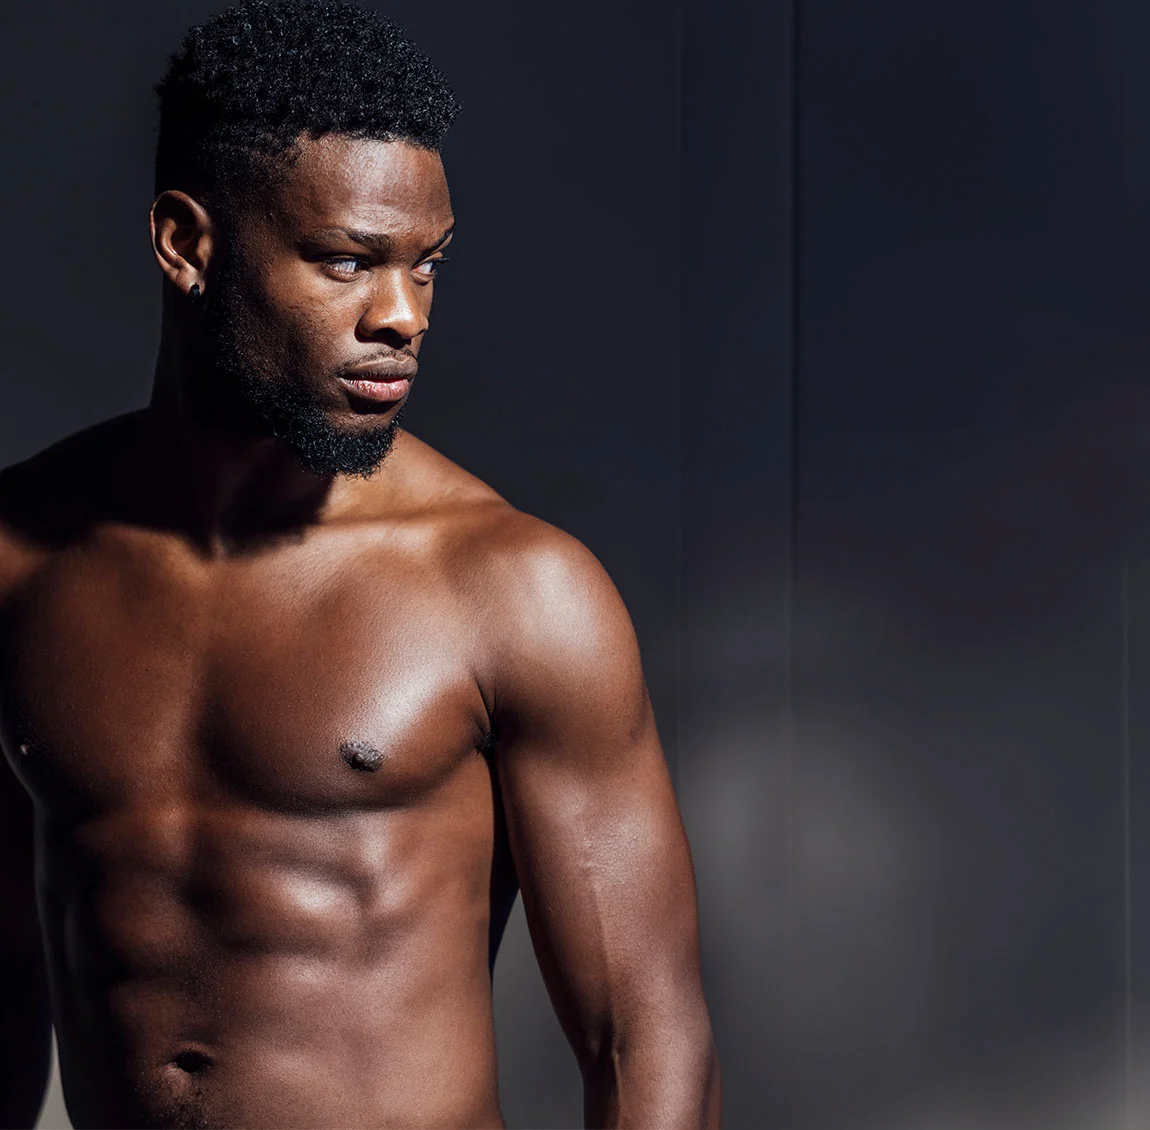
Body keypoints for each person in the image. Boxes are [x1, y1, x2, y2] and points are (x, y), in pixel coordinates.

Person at [0, 3, 719, 1127]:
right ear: (187, 244)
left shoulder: (511, 588)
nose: (403, 315)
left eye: (426, 265)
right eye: (347, 261)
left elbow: (646, 1038)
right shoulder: (21, 559)